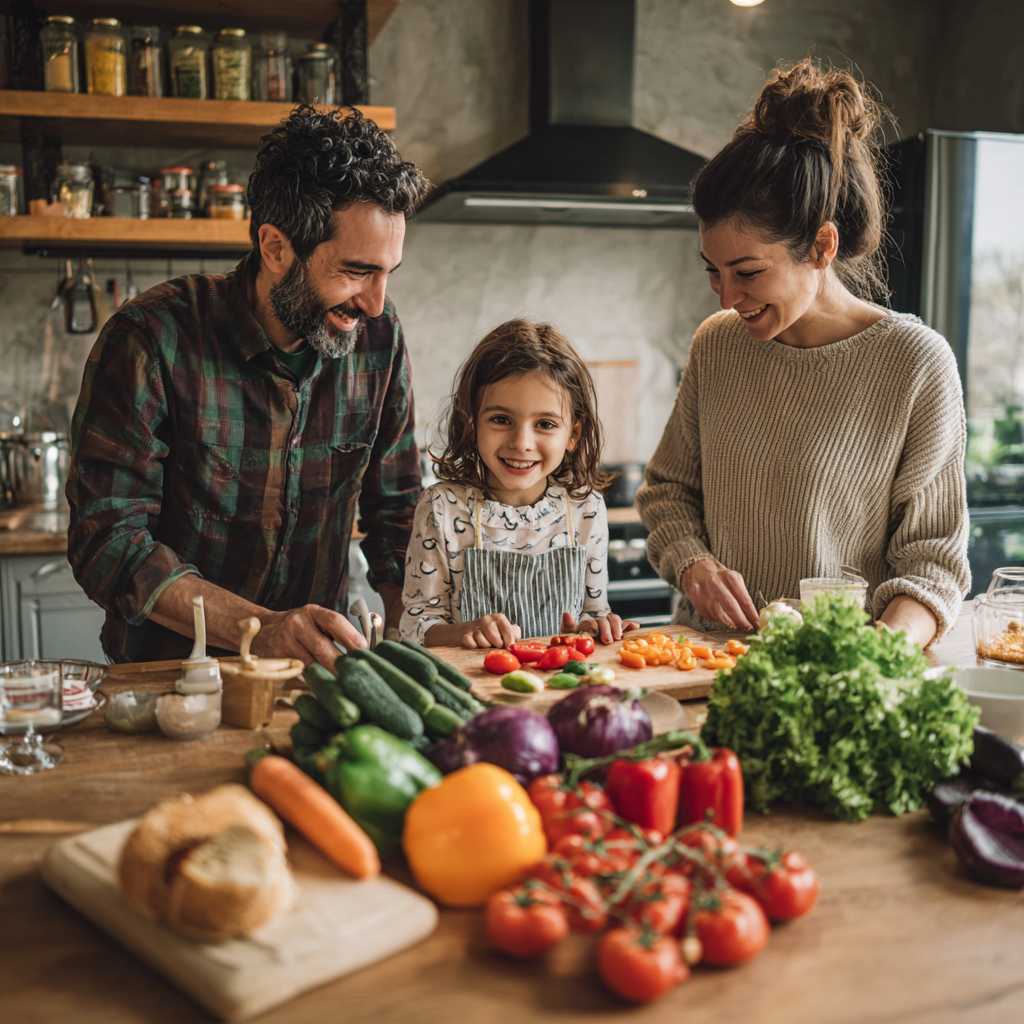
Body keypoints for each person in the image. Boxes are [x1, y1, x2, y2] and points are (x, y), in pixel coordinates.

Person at [67, 107, 431, 669]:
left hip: (320, 672)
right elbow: (108, 540)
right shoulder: (151, 337)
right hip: (174, 677)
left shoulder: (378, 338)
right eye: (357, 271)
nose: (376, 303)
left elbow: (398, 515)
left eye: (388, 274)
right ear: (276, 247)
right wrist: (258, 631)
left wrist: (427, 631)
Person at [637, 59, 969, 649]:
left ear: (821, 246)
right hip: (712, 663)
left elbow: (932, 561)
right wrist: (692, 563)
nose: (727, 295)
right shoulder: (717, 345)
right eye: (713, 271)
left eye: (747, 271)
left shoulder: (915, 363)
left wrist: (875, 655)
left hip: (841, 671)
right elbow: (668, 490)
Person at [399, 320, 638, 648]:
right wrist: (466, 632)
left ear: (574, 434)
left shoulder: (587, 509)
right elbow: (416, 627)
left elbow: (592, 612)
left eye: (545, 424)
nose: (522, 442)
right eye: (501, 420)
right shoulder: (440, 509)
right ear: (470, 422)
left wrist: (598, 627)